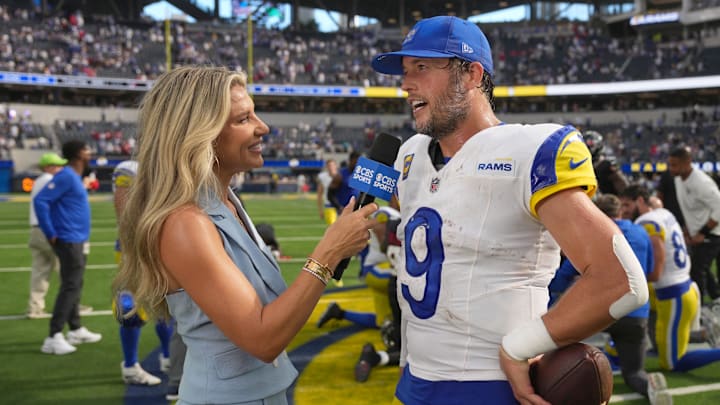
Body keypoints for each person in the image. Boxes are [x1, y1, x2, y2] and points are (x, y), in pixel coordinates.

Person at [370, 16, 649, 404]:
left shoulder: (529, 150)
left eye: (422, 67)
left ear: (471, 74)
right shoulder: (409, 155)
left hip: (491, 385)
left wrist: (520, 346)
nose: (406, 84)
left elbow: (619, 280)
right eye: (404, 72)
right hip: (414, 380)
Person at [112, 66, 377, 404]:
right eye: (243, 119)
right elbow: (263, 339)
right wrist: (328, 253)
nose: (262, 127)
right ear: (199, 133)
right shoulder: (185, 222)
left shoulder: (224, 201)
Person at [548, 194, 670, 404]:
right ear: (620, 211)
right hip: (635, 312)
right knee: (633, 373)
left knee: (559, 355)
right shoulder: (641, 232)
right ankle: (648, 385)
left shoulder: (591, 234)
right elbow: (648, 270)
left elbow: (564, 275)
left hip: (598, 310)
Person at [619, 185, 720, 374]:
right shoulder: (663, 213)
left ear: (640, 201)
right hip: (678, 288)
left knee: (671, 363)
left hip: (674, 295)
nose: (623, 211)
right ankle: (704, 333)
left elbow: (655, 273)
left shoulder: (646, 223)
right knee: (634, 309)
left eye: (627, 205)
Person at [35, 140, 102, 355]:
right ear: (77, 154)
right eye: (86, 149)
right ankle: (53, 335)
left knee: (75, 283)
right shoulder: (65, 175)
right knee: (70, 285)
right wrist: (50, 232)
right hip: (67, 238)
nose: (90, 152)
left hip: (77, 238)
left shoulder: (73, 177)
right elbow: (40, 200)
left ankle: (75, 328)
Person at [111, 159, 173, 385]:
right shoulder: (131, 168)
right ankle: (130, 366)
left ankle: (169, 356)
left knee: (166, 303)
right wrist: (135, 247)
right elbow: (123, 210)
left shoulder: (162, 163)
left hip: (160, 244)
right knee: (131, 307)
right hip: (137, 247)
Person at [668, 146, 720, 305]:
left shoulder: (702, 182)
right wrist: (686, 229)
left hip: (713, 233)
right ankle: (716, 298)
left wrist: (703, 233)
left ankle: (700, 308)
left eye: (675, 165)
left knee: (697, 269)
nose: (671, 169)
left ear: (688, 162)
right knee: (700, 267)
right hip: (696, 232)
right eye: (670, 164)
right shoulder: (678, 179)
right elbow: (687, 207)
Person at [26, 153, 66, 319]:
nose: (61, 169)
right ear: (49, 166)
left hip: (35, 229)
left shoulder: (40, 180)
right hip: (47, 230)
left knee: (40, 271)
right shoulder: (49, 179)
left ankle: (34, 307)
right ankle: (71, 306)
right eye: (58, 165)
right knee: (67, 270)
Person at [583, 130, 628, 195]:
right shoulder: (581, 165)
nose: (586, 147)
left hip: (607, 201)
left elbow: (624, 187)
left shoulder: (606, 165)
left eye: (589, 144)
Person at [316, 158, 340, 225]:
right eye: (329, 166)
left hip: (341, 206)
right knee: (333, 227)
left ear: (336, 166)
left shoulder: (341, 176)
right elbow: (319, 194)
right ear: (326, 167)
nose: (330, 167)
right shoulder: (323, 177)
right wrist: (320, 210)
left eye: (332, 165)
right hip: (329, 205)